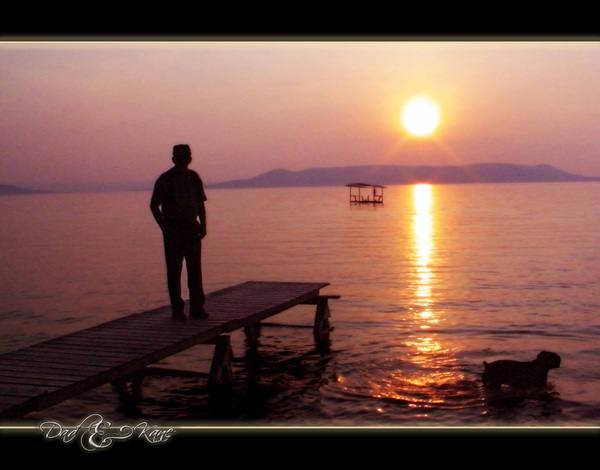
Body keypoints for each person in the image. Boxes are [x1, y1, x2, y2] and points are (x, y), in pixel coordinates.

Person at [150, 144, 208, 320]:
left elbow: (200, 204)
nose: (183, 159)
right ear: (173, 159)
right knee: (174, 271)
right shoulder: (166, 179)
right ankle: (177, 309)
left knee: (195, 270)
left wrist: (203, 225)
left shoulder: (194, 178)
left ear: (190, 158)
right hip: (173, 231)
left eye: (186, 156)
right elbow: (154, 205)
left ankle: (196, 307)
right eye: (180, 156)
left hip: (192, 228)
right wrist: (164, 226)